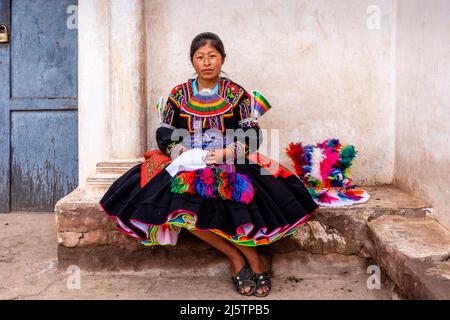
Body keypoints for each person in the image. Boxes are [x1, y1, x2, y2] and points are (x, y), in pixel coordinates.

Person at [99, 32, 319, 297]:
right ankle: (237, 258)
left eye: (212, 56)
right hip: (188, 162)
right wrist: (184, 153)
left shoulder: (237, 94)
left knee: (231, 201)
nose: (206, 62)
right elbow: (165, 132)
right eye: (200, 57)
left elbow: (252, 133)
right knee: (179, 207)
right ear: (192, 61)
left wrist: (228, 152)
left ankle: (255, 261)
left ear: (222, 59)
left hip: (230, 159)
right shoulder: (178, 95)